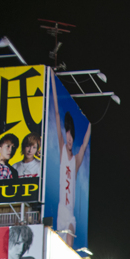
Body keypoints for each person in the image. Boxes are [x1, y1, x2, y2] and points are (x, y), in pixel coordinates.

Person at [51, 70, 91, 247]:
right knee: (60, 250)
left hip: (70, 215)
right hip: (61, 212)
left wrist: (92, 123)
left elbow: (84, 144)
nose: (69, 138)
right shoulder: (62, 152)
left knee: (69, 245)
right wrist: (51, 78)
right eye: (67, 133)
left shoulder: (75, 162)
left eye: (71, 135)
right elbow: (58, 115)